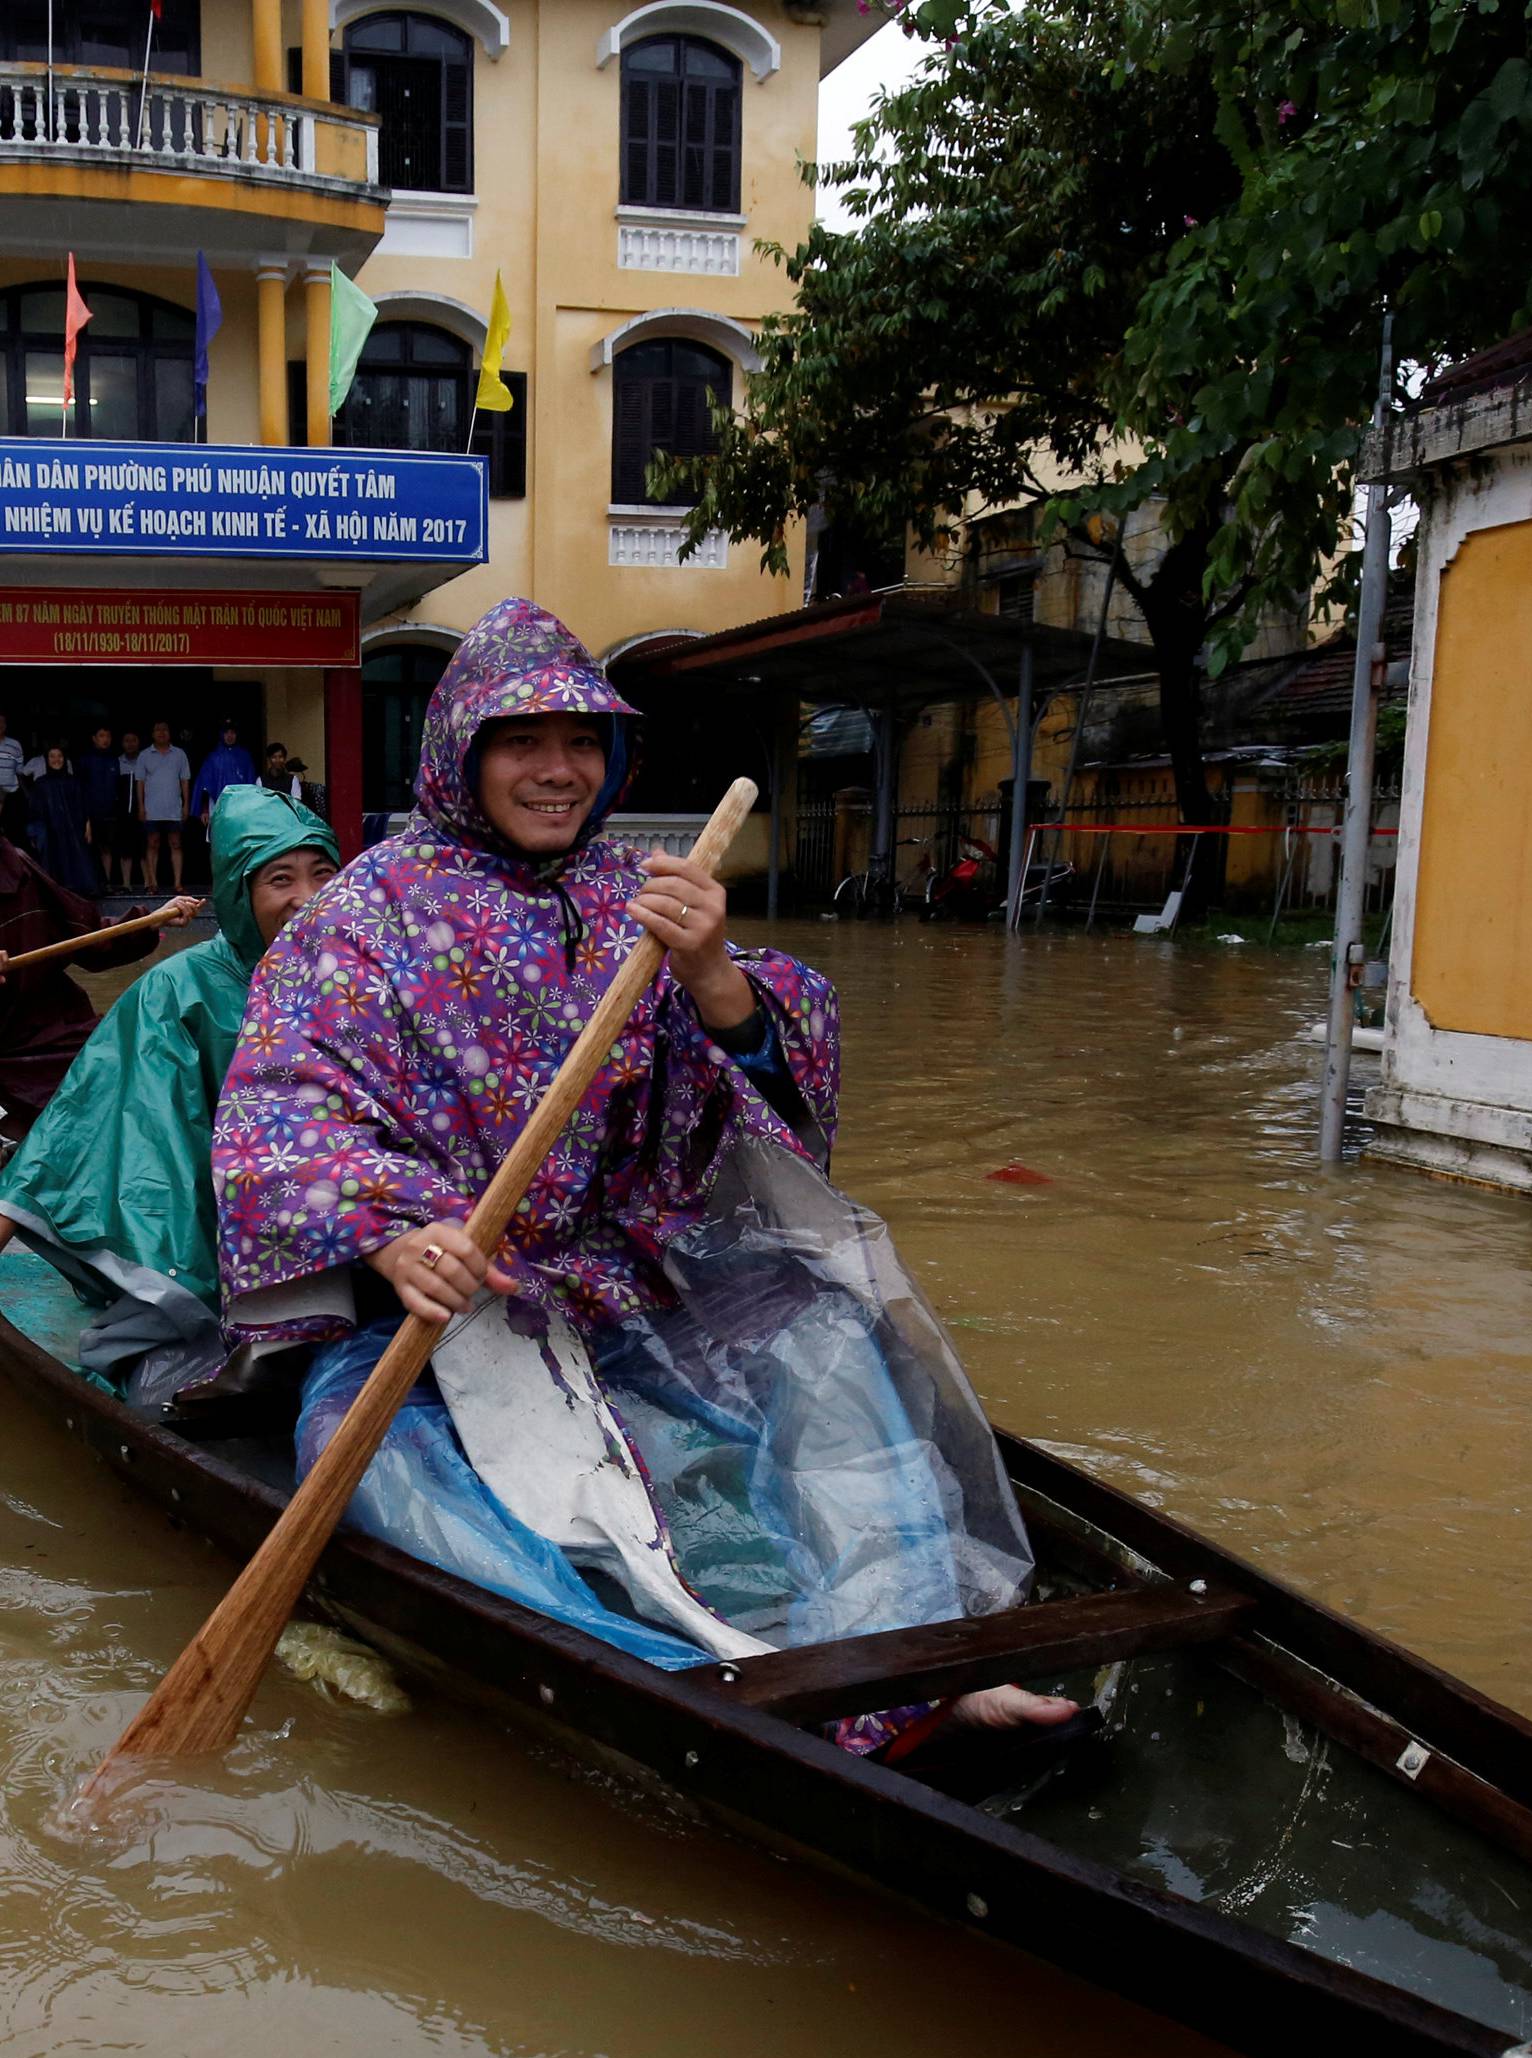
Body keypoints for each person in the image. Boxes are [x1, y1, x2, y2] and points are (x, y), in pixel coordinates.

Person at [212, 597, 1075, 1765]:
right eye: (523, 740)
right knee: (382, 1476)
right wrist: (396, 1237)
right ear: (464, 748)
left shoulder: (648, 900)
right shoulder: (363, 917)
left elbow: (781, 1096)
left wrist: (714, 970)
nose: (557, 770)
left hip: (630, 1289)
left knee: (833, 1344)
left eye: (583, 741)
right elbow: (280, 1111)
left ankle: (911, 1659)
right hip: (445, 1314)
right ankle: (700, 1689)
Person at [0, 789, 337, 1403]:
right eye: (280, 879)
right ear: (239, 894)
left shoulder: (368, 977)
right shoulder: (181, 990)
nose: (307, 900)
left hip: (348, 1215)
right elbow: (99, 1114)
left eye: (324, 874)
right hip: (219, 1215)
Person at [0, 836, 197, 1139]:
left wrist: (150, 920)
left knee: (142, 1062)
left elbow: (89, 935)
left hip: (53, 1030)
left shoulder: (17, 870)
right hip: (7, 1049)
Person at [30, 743, 98, 898]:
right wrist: (35, 833)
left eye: (59, 756)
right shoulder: (41, 783)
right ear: (47, 760)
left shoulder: (73, 781)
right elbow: (34, 812)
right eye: (52, 756)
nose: (56, 760)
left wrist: (87, 826)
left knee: (77, 859)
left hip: (73, 830)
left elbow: (83, 805)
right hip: (50, 831)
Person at [135, 719, 191, 894]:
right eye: (157, 729)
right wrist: (141, 806)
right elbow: (140, 783)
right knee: (152, 843)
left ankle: (177, 884)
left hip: (174, 807)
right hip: (152, 808)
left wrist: (186, 805)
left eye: (164, 729)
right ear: (152, 734)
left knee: (176, 843)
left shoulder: (179, 754)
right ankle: (152, 883)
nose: (161, 733)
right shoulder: (144, 755)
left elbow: (185, 781)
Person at [76, 724, 121, 891]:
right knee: (89, 848)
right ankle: (90, 882)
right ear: (94, 738)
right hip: (89, 811)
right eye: (101, 736)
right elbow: (79, 788)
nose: (105, 739)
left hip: (109, 811)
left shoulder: (113, 759)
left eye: (108, 736)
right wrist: (84, 815)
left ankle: (107, 882)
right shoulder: (85, 760)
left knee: (107, 847)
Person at [191, 716, 256, 824]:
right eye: (226, 732)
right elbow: (205, 786)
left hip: (241, 809)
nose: (229, 736)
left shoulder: (245, 757)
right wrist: (205, 810)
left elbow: (251, 784)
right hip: (217, 808)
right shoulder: (213, 758)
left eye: (232, 732)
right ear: (221, 734)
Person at [112, 728, 145, 893]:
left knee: (144, 847)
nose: (130, 744)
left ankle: (148, 883)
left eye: (134, 740)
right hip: (123, 811)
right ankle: (126, 883)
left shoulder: (145, 759)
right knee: (125, 848)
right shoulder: (117, 762)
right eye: (127, 740)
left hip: (143, 809)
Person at [0, 712, 23, 845]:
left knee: (11, 838)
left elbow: (20, 770)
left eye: (2, 722)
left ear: (6, 725)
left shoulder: (15, 745)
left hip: (11, 796)